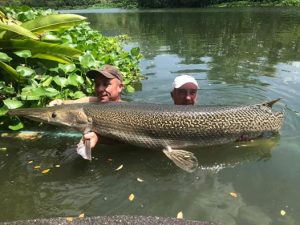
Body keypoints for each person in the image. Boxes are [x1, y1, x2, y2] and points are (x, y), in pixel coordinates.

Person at [48, 64, 124, 149]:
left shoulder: (125, 112)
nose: (100, 89)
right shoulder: (92, 101)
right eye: (97, 84)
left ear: (120, 87)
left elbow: (125, 141)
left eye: (106, 84)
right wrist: (60, 102)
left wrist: (99, 139)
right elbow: (73, 103)